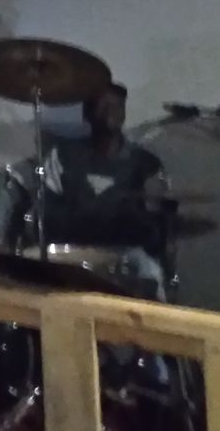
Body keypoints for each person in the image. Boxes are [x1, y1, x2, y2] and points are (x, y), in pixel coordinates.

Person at [30, 82, 167, 296]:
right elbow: (46, 214)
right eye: (104, 105)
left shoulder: (146, 163)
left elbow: (158, 228)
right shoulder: (63, 156)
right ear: (87, 113)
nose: (112, 111)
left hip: (126, 256)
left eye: (118, 105)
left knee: (149, 271)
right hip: (73, 253)